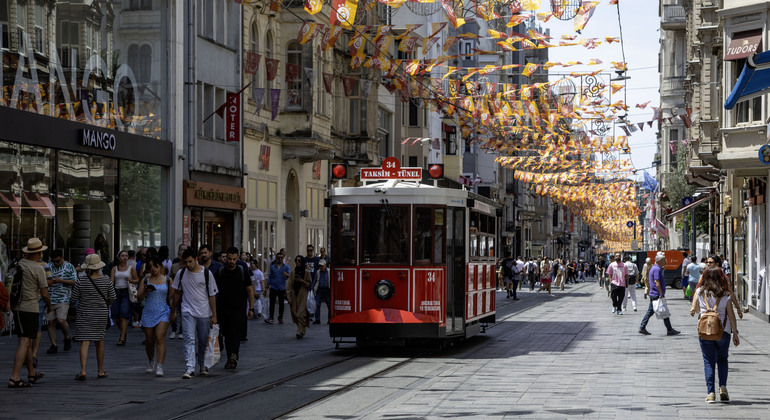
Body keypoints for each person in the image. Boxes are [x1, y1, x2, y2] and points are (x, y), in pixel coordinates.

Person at [690, 267, 740, 403]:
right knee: (723, 359)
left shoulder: (701, 292)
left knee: (708, 361)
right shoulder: (725, 294)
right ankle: (723, 388)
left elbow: (699, 310)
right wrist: (735, 332)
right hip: (723, 331)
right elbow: (731, 315)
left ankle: (711, 393)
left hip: (705, 331)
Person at [8, 238, 52, 388]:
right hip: (30, 307)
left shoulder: (17, 264)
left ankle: (31, 373)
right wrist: (49, 305)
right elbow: (44, 293)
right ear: (38, 253)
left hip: (17, 307)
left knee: (25, 340)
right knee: (25, 342)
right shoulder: (38, 268)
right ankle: (15, 377)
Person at [169, 248, 218, 379]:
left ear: (196, 259)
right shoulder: (181, 273)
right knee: (188, 339)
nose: (188, 265)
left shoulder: (206, 274)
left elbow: (212, 296)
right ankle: (190, 367)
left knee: (203, 340)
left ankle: (202, 364)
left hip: (204, 312)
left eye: (190, 261)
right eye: (185, 262)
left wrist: (214, 315)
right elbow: (177, 293)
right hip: (187, 310)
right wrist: (173, 311)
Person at [71, 253, 116, 381]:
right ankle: (100, 370)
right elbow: (112, 297)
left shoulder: (81, 281)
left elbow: (73, 299)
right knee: (99, 342)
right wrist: (104, 304)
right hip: (100, 314)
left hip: (84, 313)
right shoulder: (106, 280)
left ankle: (83, 370)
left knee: (84, 342)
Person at [215, 247, 255, 369]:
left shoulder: (243, 271)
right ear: (226, 258)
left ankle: (234, 355)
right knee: (226, 334)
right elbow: (214, 292)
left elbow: (249, 290)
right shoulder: (221, 272)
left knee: (235, 333)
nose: (231, 261)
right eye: (229, 259)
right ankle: (230, 357)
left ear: (237, 258)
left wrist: (251, 308)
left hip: (239, 309)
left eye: (234, 259)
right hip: (223, 309)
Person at [136, 255, 171, 377]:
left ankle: (160, 366)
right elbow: (138, 298)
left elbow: (171, 298)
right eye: (150, 267)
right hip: (149, 311)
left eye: (155, 266)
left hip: (163, 311)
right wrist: (145, 291)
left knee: (159, 338)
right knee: (150, 341)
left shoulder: (167, 280)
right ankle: (151, 362)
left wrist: (174, 313)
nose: (153, 269)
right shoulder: (145, 280)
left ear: (160, 266)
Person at [639, 252, 681, 336]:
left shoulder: (656, 268)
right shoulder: (657, 269)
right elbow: (656, 282)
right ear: (660, 260)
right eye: (664, 260)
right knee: (663, 311)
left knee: (657, 311)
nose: (666, 261)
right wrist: (661, 293)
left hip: (654, 293)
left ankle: (643, 327)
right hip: (656, 294)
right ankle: (668, 329)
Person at [46, 249, 77, 354]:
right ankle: (53, 345)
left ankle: (66, 337)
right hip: (50, 297)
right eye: (54, 261)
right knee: (50, 322)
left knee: (60, 320)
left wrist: (61, 281)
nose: (55, 263)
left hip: (63, 297)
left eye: (57, 261)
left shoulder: (69, 266)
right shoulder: (48, 266)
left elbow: (74, 282)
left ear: (62, 257)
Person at [696, 255, 743, 320]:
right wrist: (694, 307)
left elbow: (731, 292)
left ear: (717, 263)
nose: (708, 264)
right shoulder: (704, 276)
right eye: (707, 262)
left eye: (710, 262)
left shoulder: (723, 277)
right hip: (706, 313)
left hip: (720, 312)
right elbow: (697, 290)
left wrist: (738, 308)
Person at [110, 250, 140, 346]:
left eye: (126, 255)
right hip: (116, 292)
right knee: (116, 316)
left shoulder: (131, 268)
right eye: (122, 256)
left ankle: (122, 338)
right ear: (118, 257)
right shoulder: (114, 268)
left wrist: (131, 280)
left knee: (123, 315)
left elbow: (137, 280)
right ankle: (123, 331)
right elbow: (111, 282)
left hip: (126, 292)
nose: (125, 257)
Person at [287, 255, 312, 339]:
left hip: (303, 294)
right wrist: (289, 296)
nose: (297, 262)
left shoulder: (306, 272)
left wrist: (301, 281)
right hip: (294, 294)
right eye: (296, 261)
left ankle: (300, 331)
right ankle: (301, 329)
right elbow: (289, 285)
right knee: (294, 312)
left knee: (300, 313)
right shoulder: (292, 272)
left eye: (299, 261)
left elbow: (309, 284)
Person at [168, 244, 189, 339]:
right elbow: (170, 278)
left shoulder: (189, 266)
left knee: (183, 311)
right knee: (173, 310)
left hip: (185, 292)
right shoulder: (174, 266)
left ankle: (181, 331)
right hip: (175, 291)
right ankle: (173, 329)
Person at [266, 253, 291, 324]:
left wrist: (287, 275)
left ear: (283, 258)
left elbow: (291, 275)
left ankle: (280, 317)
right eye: (278, 258)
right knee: (272, 303)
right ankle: (271, 317)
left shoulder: (286, 267)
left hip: (281, 288)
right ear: (276, 258)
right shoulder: (273, 267)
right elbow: (270, 277)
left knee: (281, 304)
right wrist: (267, 287)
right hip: (273, 287)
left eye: (281, 258)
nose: (280, 259)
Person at [313, 259, 331, 323]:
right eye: (320, 266)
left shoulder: (329, 271)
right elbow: (315, 281)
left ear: (325, 265)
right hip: (319, 290)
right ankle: (317, 319)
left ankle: (330, 319)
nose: (321, 267)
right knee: (317, 304)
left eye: (322, 266)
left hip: (327, 290)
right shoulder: (318, 272)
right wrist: (313, 288)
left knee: (329, 305)